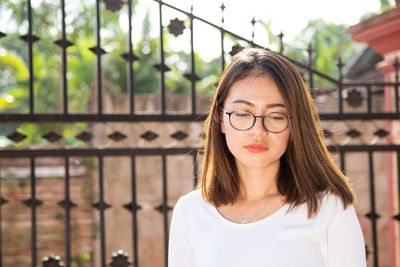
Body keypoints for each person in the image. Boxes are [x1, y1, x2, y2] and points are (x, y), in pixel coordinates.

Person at [168, 48, 366, 267]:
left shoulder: (327, 208)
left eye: (276, 116)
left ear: (295, 124)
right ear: (220, 118)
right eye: (242, 114)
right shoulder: (190, 212)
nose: (258, 131)